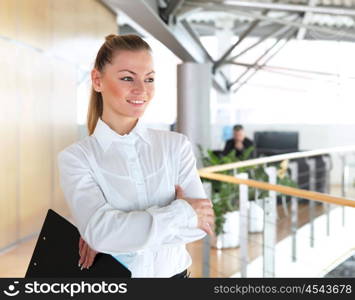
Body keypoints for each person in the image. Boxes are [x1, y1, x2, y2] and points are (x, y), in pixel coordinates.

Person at [57, 34, 215, 278]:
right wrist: (182, 212)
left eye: (149, 79)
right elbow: (101, 234)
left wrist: (118, 236)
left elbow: (201, 226)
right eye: (127, 78)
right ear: (97, 80)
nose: (141, 90)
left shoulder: (176, 146)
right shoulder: (77, 158)